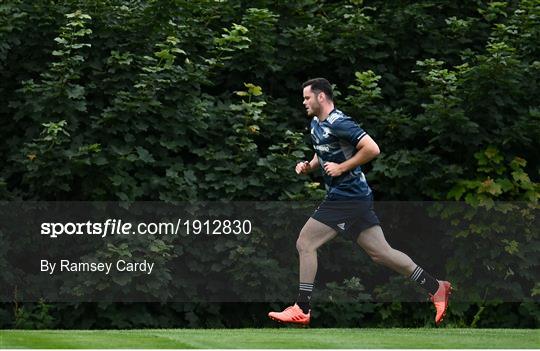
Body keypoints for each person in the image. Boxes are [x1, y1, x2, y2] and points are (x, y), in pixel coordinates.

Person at [268, 78, 451, 326]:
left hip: (348, 196)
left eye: (307, 97)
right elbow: (322, 151)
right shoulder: (316, 124)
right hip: (353, 197)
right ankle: (435, 286)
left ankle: (302, 307)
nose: (304, 102)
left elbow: (372, 148)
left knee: (305, 242)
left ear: (321, 97)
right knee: (381, 253)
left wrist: (342, 167)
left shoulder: (340, 122)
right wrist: (309, 166)